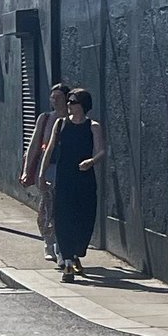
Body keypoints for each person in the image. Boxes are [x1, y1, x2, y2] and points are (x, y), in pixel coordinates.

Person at [41, 87, 106, 282]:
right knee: (63, 218)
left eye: (73, 102)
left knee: (85, 218)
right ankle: (67, 262)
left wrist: (91, 161)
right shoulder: (60, 124)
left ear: (83, 106)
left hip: (85, 179)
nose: (68, 105)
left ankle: (77, 254)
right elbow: (50, 149)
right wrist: (42, 175)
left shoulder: (93, 126)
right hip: (64, 177)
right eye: (68, 102)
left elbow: (101, 150)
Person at [19, 84, 69, 265]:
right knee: (47, 207)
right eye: (52, 97)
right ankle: (49, 243)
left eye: (58, 97)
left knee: (64, 209)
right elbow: (33, 145)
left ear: (66, 99)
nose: (54, 101)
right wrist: (26, 170)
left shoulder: (72, 120)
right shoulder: (46, 118)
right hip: (47, 168)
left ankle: (61, 246)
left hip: (66, 170)